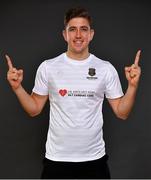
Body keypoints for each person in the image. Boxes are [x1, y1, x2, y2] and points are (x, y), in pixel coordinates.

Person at [6, 7, 141, 179]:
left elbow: (122, 113)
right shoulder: (48, 67)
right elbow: (34, 109)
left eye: (83, 29)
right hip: (57, 160)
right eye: (72, 29)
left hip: (94, 160)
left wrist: (133, 86)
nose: (78, 35)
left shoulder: (105, 68)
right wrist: (17, 88)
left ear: (91, 34)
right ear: (65, 35)